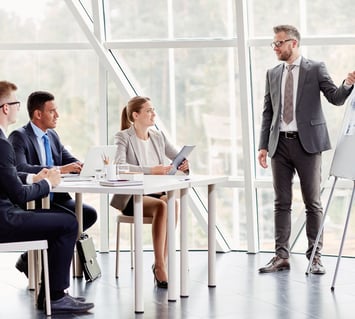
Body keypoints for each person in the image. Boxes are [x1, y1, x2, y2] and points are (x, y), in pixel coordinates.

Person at [258, 25, 355, 275]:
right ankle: (281, 256)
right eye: (274, 43)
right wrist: (262, 146)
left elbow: (335, 98)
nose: (276, 47)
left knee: (313, 202)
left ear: (294, 43)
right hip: (279, 145)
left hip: (308, 145)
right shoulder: (272, 73)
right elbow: (268, 112)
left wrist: (347, 83)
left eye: (279, 43)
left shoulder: (315, 68)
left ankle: (315, 256)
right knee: (281, 203)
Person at [0, 80, 94, 313]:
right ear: (5, 108)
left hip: (8, 213)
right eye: (15, 103)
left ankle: (50, 293)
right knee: (68, 223)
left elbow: (9, 175)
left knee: (72, 217)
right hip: (5, 218)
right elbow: (20, 196)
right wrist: (47, 182)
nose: (17, 108)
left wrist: (33, 178)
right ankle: (55, 296)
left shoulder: (47, 137)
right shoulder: (6, 142)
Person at [110, 96, 189, 288]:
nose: (154, 114)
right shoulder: (123, 137)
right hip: (131, 196)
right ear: (135, 115)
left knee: (172, 203)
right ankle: (160, 267)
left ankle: (160, 262)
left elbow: (177, 157)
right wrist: (150, 170)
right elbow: (119, 166)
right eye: (149, 110)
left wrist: (184, 164)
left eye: (153, 109)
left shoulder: (158, 136)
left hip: (154, 191)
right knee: (162, 206)